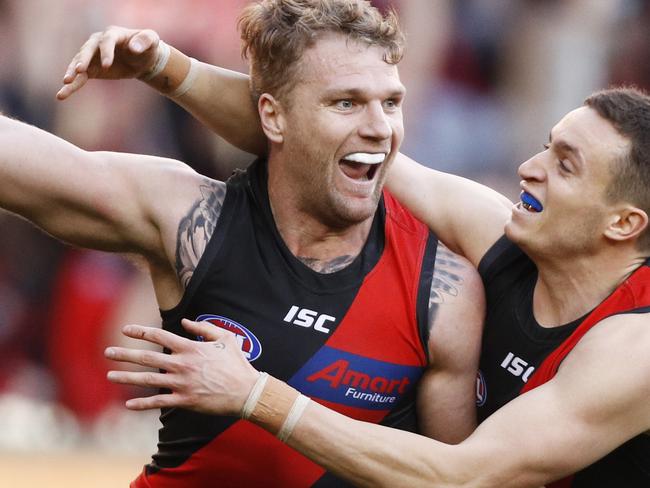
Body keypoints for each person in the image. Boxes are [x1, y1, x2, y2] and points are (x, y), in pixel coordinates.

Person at [64, 19, 650, 488]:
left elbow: (466, 477)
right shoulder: (507, 232)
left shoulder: (635, 347)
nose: (528, 168)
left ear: (625, 223)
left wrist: (255, 393)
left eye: (564, 165)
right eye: (546, 147)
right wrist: (165, 67)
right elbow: (317, 141)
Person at [5, 1, 485, 487]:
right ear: (273, 118)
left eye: (391, 103)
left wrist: (256, 397)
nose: (380, 127)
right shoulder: (193, 220)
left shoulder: (443, 294)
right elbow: (26, 167)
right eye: (346, 102)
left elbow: (449, 480)